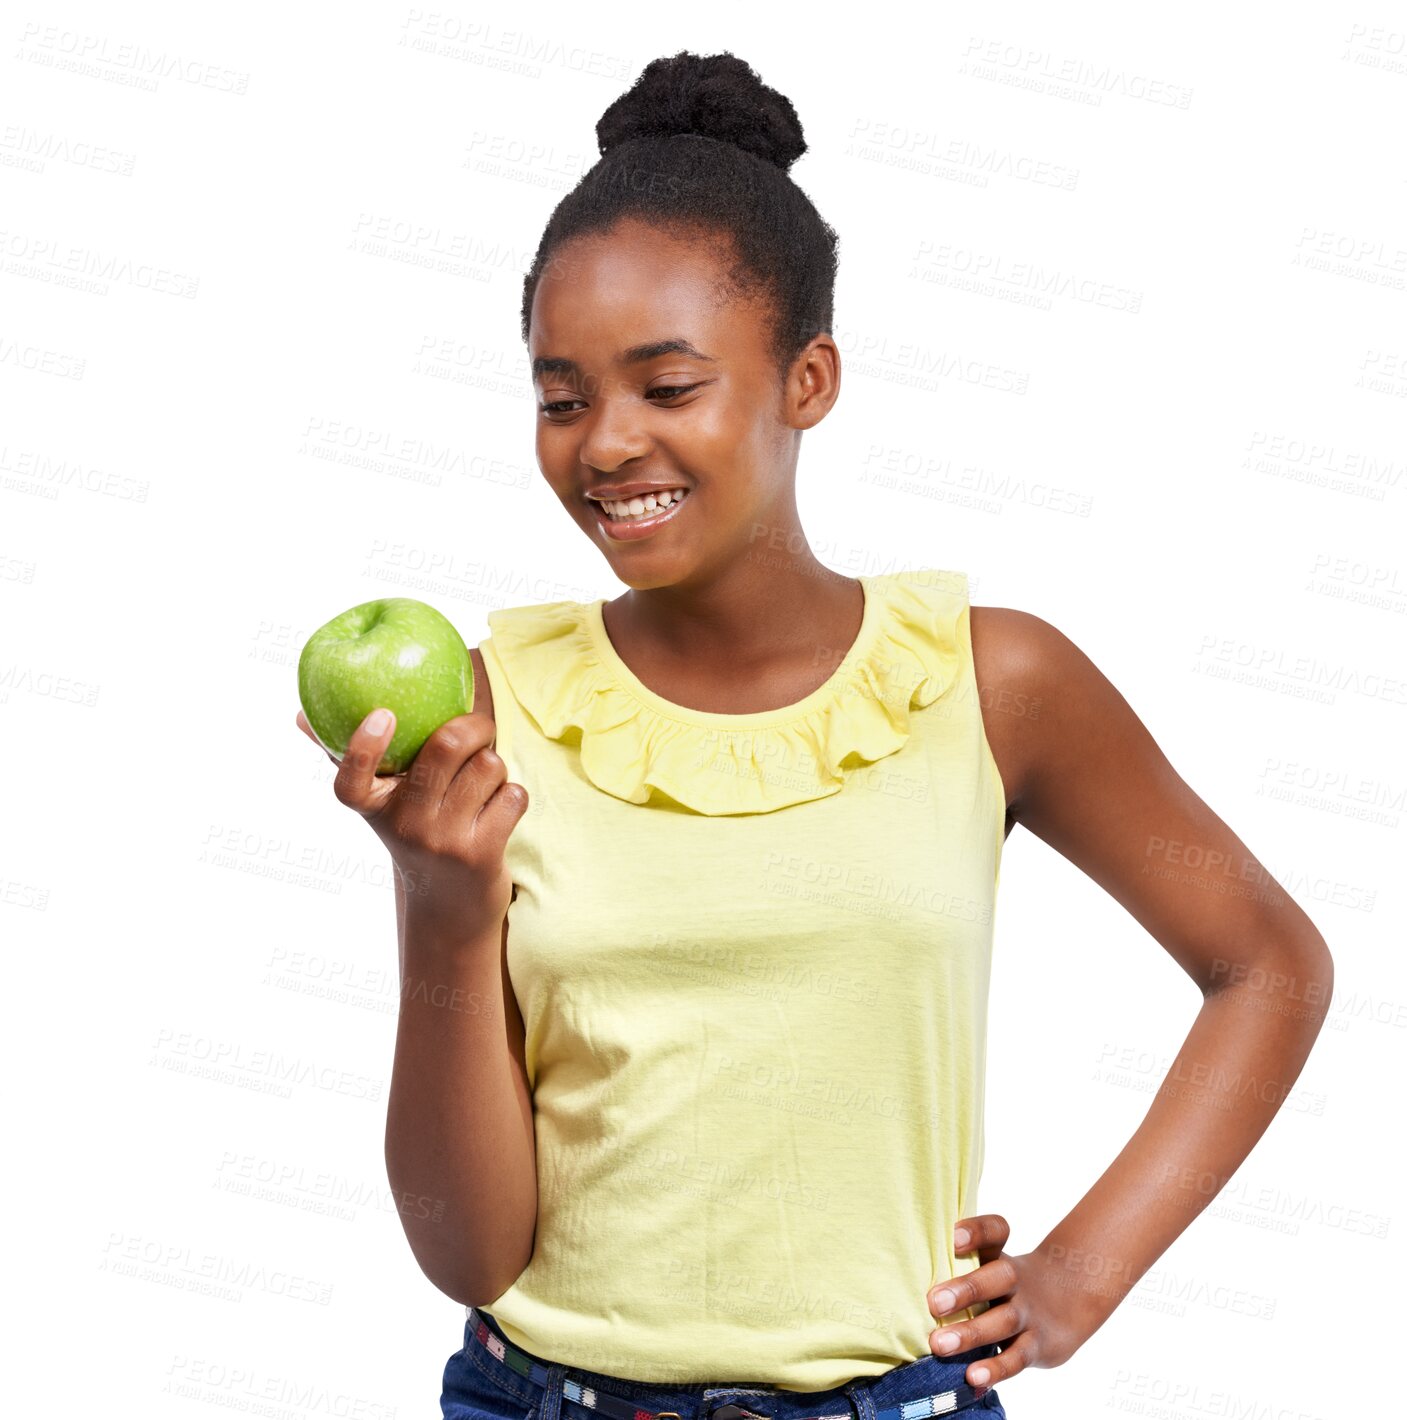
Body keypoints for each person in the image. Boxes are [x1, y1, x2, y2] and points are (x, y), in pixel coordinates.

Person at [297, 50, 1334, 1420]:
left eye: (668, 388)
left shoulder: (988, 680)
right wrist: (439, 901)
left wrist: (1083, 1275)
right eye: (562, 399)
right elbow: (466, 1251)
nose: (606, 443)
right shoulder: (495, 707)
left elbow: (1266, 964)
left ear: (809, 379)